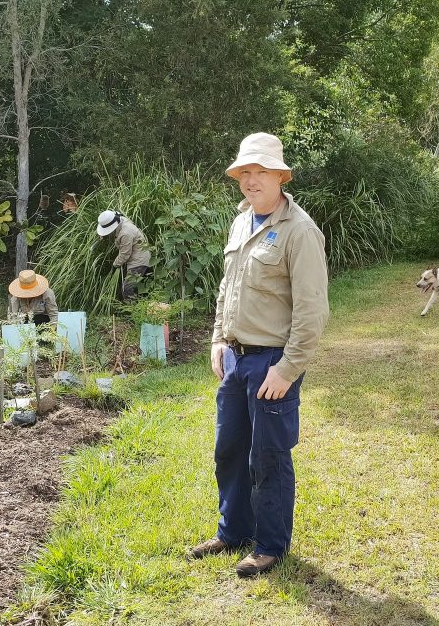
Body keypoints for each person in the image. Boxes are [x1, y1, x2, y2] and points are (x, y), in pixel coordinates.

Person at [188, 132, 329, 578]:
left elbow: (312, 310)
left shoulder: (299, 231)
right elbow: (226, 287)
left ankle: (269, 546)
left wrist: (287, 370)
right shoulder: (241, 221)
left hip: (272, 362)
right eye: (244, 172)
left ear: (280, 176)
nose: (251, 180)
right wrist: (217, 338)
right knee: (229, 450)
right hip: (234, 358)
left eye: (260, 171)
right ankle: (232, 532)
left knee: (267, 457)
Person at [95, 210, 152, 301]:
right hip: (136, 257)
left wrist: (115, 265)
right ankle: (140, 306)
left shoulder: (126, 233)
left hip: (139, 261)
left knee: (128, 289)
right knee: (138, 289)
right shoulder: (119, 220)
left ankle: (133, 309)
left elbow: (125, 254)